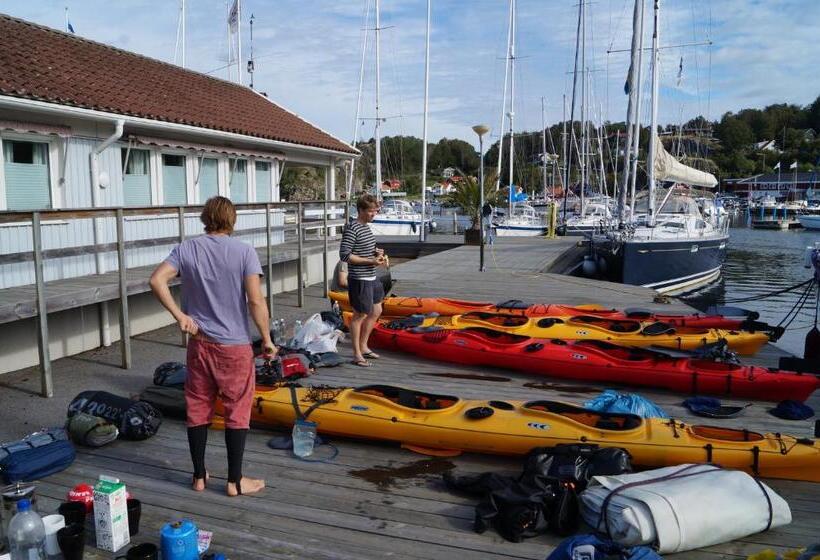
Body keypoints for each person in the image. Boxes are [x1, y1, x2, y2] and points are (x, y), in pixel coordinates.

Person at [149, 196, 274, 497]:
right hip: (234, 347)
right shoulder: (244, 252)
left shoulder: (187, 248)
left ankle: (198, 476)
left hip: (200, 344)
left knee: (198, 408)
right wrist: (267, 339)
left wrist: (180, 316)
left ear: (205, 218)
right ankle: (234, 481)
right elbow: (255, 300)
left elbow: (156, 280)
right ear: (232, 220)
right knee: (236, 410)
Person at [339, 193, 385, 367]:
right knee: (359, 315)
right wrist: (370, 261)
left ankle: (364, 346)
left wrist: (376, 253)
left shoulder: (366, 227)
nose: (374, 214)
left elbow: (364, 249)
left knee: (376, 311)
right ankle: (357, 354)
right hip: (360, 278)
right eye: (371, 211)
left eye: (376, 211)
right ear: (361, 210)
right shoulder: (352, 228)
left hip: (371, 276)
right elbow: (345, 255)